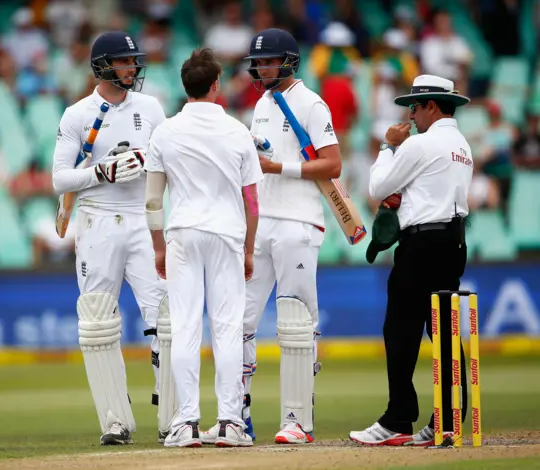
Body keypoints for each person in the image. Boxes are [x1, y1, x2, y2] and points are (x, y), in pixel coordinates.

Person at [222, 28, 343, 445]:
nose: (261, 68)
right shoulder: (262, 102)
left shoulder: (311, 102)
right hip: (263, 224)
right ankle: (237, 416)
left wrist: (278, 168)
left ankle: (298, 420)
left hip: (299, 223)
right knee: (239, 320)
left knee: (295, 322)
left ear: (288, 61)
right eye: (258, 62)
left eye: (269, 61)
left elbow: (333, 164)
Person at [51, 30, 169, 446]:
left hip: (143, 219)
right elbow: (60, 178)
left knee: (166, 318)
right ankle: (116, 422)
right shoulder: (78, 114)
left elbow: (169, 158)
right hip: (97, 220)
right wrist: (102, 171)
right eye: (124, 62)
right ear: (103, 65)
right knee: (99, 322)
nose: (133, 68)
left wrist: (146, 164)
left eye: (134, 61)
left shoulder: (152, 107)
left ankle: (172, 417)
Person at [144, 47, 262, 448]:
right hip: (227, 235)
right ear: (215, 85)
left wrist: (159, 249)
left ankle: (186, 423)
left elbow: (152, 201)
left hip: (183, 233)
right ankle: (230, 423)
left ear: (185, 86)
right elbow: (252, 203)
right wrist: (248, 250)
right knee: (227, 329)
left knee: (186, 328)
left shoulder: (165, 131)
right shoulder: (238, 131)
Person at [350, 74, 472, 446]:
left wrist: (387, 147)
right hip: (454, 242)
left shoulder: (420, 144)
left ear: (432, 106)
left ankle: (398, 419)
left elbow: (377, 188)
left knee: (400, 330)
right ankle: (448, 420)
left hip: (421, 245)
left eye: (415, 107)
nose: (411, 115)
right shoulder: (461, 145)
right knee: (445, 332)